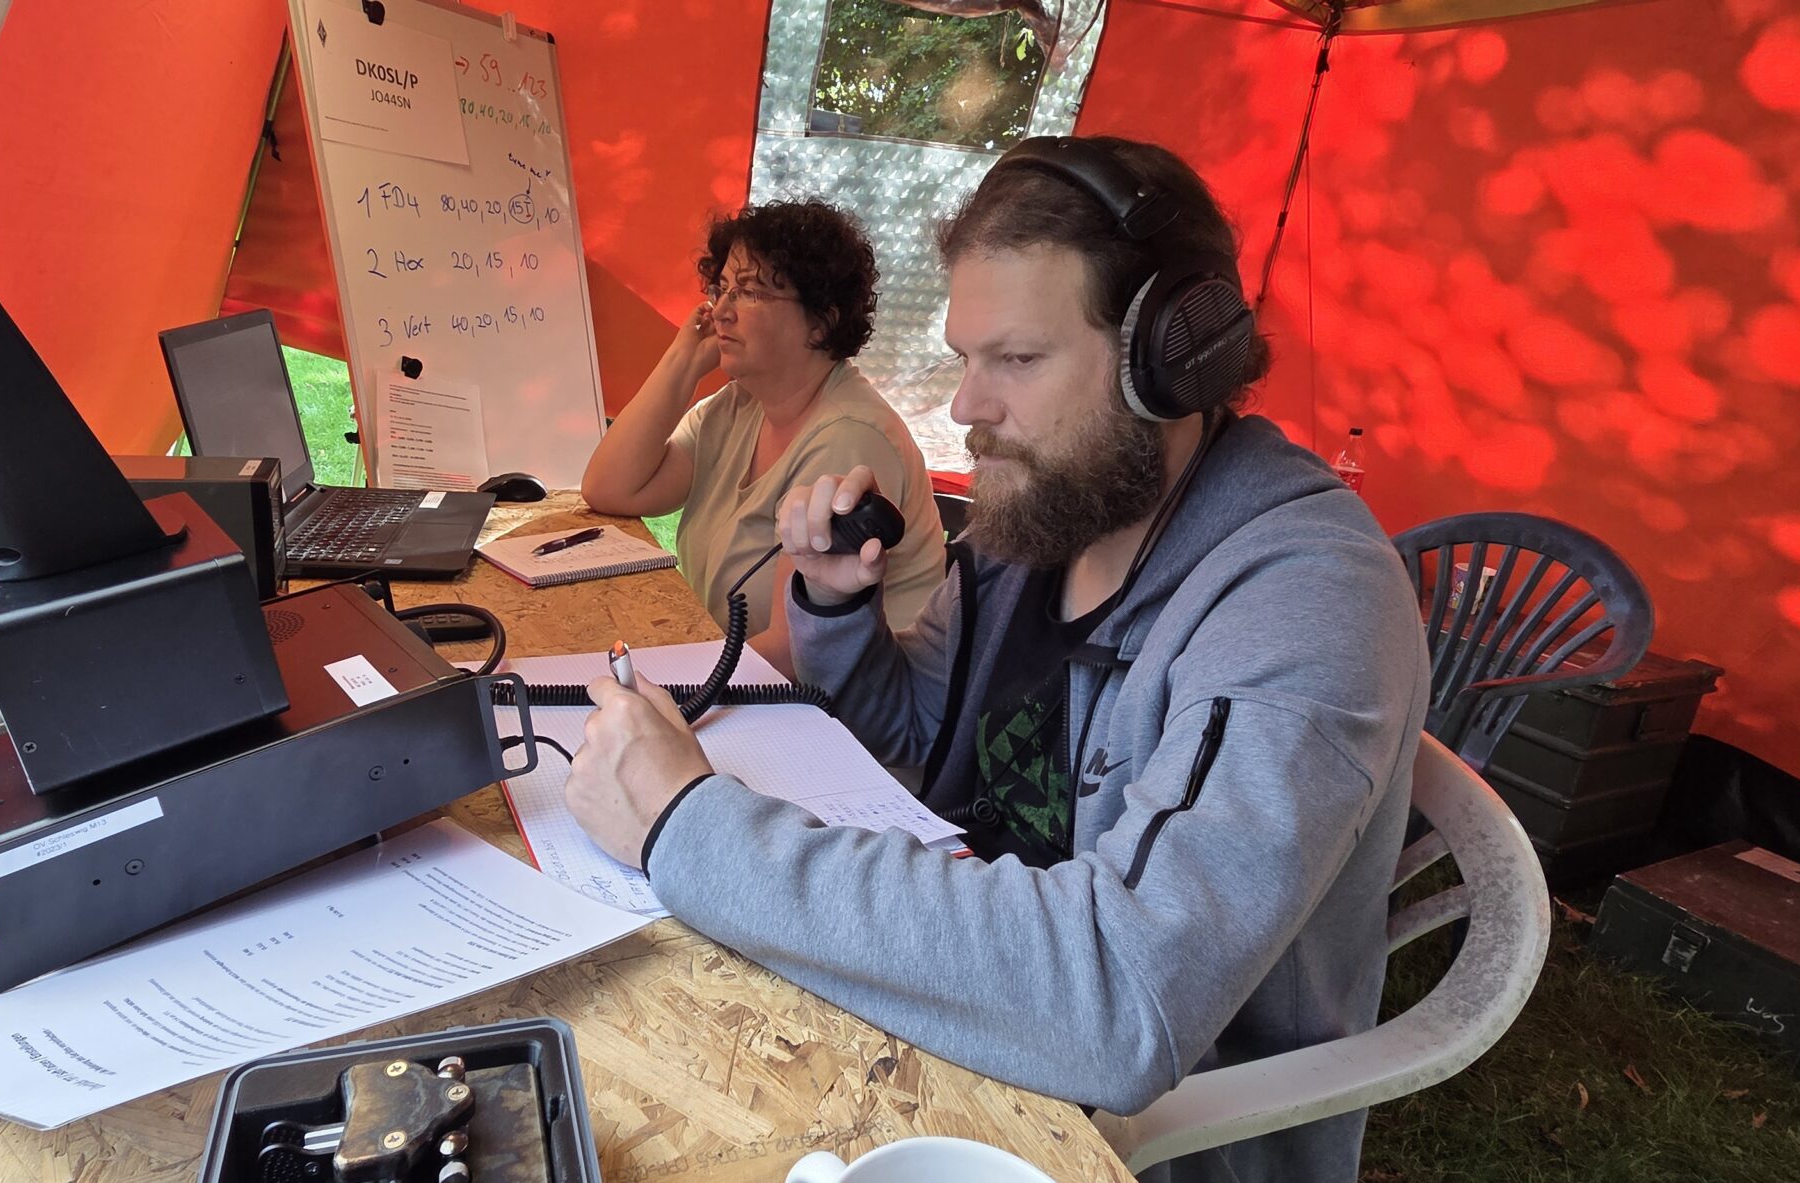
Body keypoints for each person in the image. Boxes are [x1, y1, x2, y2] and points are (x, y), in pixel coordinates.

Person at [561, 137, 1431, 1182]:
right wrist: (837, 612)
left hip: (1133, 1135)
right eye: (966, 358)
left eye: (1015, 361)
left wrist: (687, 826)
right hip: (950, 1017)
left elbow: (1124, 993)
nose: (967, 407)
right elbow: (915, 743)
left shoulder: (1304, 599)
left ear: (1171, 362)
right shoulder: (1043, 526)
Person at [580, 200, 944, 672]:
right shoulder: (739, 407)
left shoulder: (849, 437)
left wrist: (663, 684)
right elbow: (610, 489)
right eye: (721, 289)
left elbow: (796, 652)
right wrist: (682, 362)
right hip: (744, 679)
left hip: (831, 707)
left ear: (822, 321)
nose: (720, 311)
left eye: (749, 292)